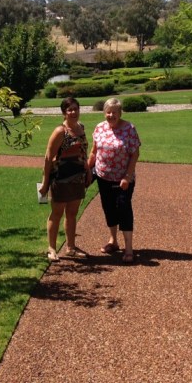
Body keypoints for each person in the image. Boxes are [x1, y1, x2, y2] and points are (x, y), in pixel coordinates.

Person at [88, 98, 141, 264]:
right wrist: (87, 170)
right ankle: (113, 241)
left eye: (114, 112)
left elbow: (135, 154)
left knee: (124, 208)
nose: (111, 115)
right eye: (108, 112)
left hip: (123, 179)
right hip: (103, 176)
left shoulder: (129, 128)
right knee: (108, 208)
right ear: (105, 113)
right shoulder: (100, 127)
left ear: (120, 113)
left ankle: (129, 248)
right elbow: (94, 152)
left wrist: (127, 176)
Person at [39, 97, 91, 262]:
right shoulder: (60, 131)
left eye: (76, 109)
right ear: (64, 112)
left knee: (72, 213)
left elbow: (83, 152)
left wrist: (88, 170)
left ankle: (70, 247)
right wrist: (45, 183)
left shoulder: (81, 127)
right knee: (57, 213)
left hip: (78, 178)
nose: (73, 112)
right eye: (70, 110)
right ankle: (52, 248)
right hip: (60, 179)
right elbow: (48, 158)